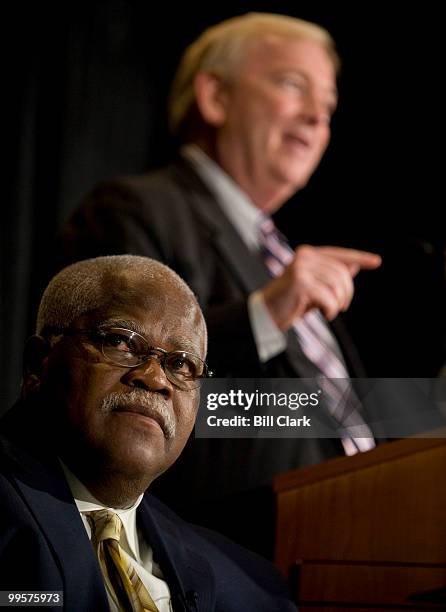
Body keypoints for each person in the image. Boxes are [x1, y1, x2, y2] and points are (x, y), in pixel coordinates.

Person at [59, 13, 382, 556]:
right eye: (291, 85)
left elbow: (319, 414)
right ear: (215, 97)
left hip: (349, 545)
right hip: (226, 554)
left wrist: (419, 411)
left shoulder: (279, 254)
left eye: (327, 107)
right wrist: (262, 316)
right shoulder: (139, 209)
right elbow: (128, 392)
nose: (315, 118)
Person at [0, 255, 297, 612]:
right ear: (38, 365)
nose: (156, 379)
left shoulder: (253, 589)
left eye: (181, 364)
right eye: (121, 341)